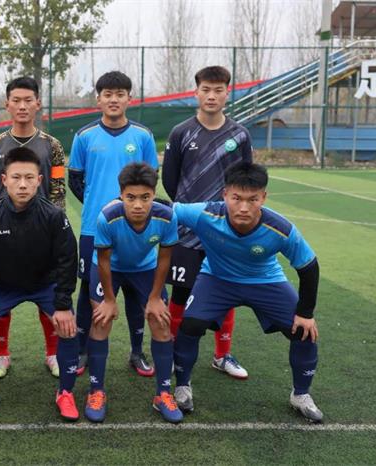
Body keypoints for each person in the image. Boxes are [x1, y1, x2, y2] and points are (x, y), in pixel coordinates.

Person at [172, 162, 323, 422]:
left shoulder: (280, 228)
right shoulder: (204, 214)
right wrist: (121, 203)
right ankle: (182, 386)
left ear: (263, 197)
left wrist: (305, 313)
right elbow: (164, 208)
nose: (244, 207)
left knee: (304, 332)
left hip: (265, 281)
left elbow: (309, 267)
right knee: (190, 324)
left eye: (252, 199)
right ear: (225, 195)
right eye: (237, 198)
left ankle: (301, 394)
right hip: (216, 279)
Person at [0, 147, 79, 421]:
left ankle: (65, 393)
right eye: (16, 177)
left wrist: (63, 305)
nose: (22, 184)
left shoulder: (54, 216)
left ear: (39, 181)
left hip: (45, 285)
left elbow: (67, 259)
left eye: (29, 178)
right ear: (3, 180)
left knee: (68, 328)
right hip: (4, 285)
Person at [162, 65, 253, 380]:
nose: (211, 96)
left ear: (227, 93)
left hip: (225, 230)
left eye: (218, 90)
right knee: (180, 293)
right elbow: (170, 180)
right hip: (187, 230)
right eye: (206, 89)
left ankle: (222, 354)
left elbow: (245, 181)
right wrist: (190, 211)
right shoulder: (181, 132)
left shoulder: (239, 135)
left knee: (226, 292)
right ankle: (172, 352)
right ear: (196, 92)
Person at [67, 71, 159, 377]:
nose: (114, 100)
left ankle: (137, 352)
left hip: (136, 228)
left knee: (134, 289)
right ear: (98, 99)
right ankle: (82, 350)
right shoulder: (85, 136)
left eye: (120, 94)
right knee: (87, 289)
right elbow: (75, 180)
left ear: (130, 98)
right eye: (108, 94)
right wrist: (99, 207)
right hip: (94, 229)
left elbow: (151, 180)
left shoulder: (143, 136)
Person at [0, 76, 66, 379]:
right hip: (2, 233)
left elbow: (58, 189)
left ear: (38, 104)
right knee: (0, 293)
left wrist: (56, 229)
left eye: (28, 100)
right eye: (16, 100)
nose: (22, 106)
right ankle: (1, 354)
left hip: (42, 233)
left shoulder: (52, 145)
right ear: (7, 104)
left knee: (47, 293)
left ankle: (52, 353)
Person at [85, 163, 182, 424]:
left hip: (144, 268)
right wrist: (108, 300)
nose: (138, 205)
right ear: (121, 194)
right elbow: (103, 260)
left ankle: (163, 394)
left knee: (161, 321)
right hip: (110, 268)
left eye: (145, 197)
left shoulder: (167, 217)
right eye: (131, 197)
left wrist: (155, 297)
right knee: (101, 319)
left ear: (153, 194)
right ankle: (96, 391)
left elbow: (164, 258)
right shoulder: (107, 217)